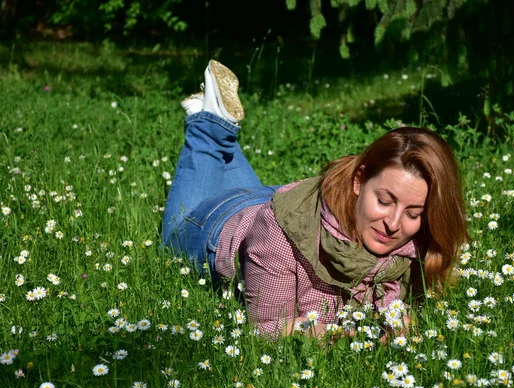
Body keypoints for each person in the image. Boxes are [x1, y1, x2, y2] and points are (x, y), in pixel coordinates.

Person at [163, 59, 468, 340]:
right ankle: (209, 124)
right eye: (384, 201)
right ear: (359, 180)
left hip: (274, 200)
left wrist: (401, 323)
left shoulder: (418, 244)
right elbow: (266, 330)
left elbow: (402, 307)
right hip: (217, 225)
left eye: (413, 213)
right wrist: (339, 334)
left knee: (221, 149)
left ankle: (213, 122)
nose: (393, 224)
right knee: (172, 233)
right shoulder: (279, 235)